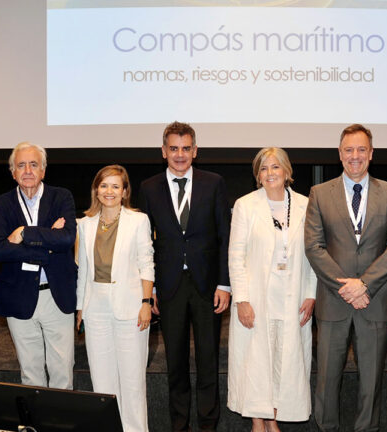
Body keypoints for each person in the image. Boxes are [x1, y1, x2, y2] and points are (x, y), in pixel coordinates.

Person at [305, 124, 387, 432]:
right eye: (348, 150)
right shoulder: (320, 194)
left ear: (371, 154)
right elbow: (313, 246)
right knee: (326, 379)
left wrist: (364, 284)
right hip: (334, 302)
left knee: (372, 382)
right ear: (339, 154)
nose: (355, 156)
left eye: (361, 149)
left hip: (373, 301)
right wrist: (346, 286)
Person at [138, 121, 231, 432]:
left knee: (208, 361)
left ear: (196, 150)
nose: (180, 154)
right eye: (174, 148)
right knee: (175, 362)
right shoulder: (149, 187)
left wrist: (224, 283)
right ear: (164, 151)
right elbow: (145, 244)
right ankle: (179, 425)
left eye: (186, 148)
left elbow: (224, 236)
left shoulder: (214, 182)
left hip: (207, 286)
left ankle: (208, 425)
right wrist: (149, 290)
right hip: (169, 287)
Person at [227, 147, 317, 431]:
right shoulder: (246, 205)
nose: (270, 173)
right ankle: (257, 421)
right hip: (256, 297)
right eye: (263, 168)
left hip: (293, 296)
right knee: (256, 360)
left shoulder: (306, 204)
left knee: (284, 358)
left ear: (287, 172)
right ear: (257, 175)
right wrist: (241, 299)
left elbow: (315, 253)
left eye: (275, 167)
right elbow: (236, 255)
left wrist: (312, 293)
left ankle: (274, 419)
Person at [0, 142, 77, 389]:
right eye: (21, 165)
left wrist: (23, 233)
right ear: (13, 172)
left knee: (62, 371)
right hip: (18, 296)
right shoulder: (2, 203)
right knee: (30, 373)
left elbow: (67, 238)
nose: (27, 170)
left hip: (56, 295)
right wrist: (47, 242)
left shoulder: (62, 197)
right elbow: (0, 250)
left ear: (43, 170)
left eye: (33, 164)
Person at [76, 165, 154, 432]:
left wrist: (147, 303)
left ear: (124, 192)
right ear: (96, 190)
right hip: (95, 309)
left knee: (132, 382)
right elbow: (83, 271)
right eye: (104, 185)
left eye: (115, 186)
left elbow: (147, 264)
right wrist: (80, 308)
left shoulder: (138, 220)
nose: (109, 191)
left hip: (131, 308)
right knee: (102, 383)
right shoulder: (83, 225)